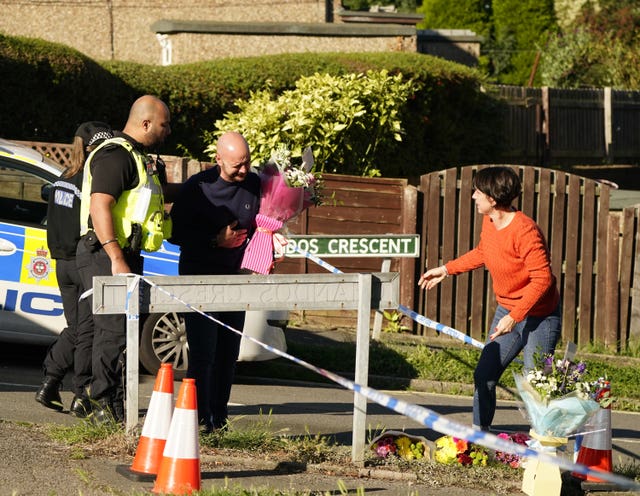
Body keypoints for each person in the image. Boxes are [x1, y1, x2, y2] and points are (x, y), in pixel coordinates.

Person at [418, 166, 561, 431]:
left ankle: (545, 450)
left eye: (477, 192)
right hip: (508, 311)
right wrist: (446, 269)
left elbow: (543, 279)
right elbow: (484, 252)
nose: (473, 196)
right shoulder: (491, 221)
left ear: (492, 199)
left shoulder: (525, 231)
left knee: (536, 384)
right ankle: (479, 438)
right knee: (484, 375)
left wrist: (515, 316)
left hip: (539, 317)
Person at [75, 95, 173, 423]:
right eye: (164, 124)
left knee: (122, 331)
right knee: (113, 329)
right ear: (145, 123)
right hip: (105, 252)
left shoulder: (138, 158)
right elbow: (99, 205)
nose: (168, 130)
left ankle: (106, 401)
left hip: (124, 253)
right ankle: (100, 403)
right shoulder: (117, 155)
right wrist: (116, 257)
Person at [169, 131, 261, 433]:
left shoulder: (254, 184)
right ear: (218, 159)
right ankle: (196, 420)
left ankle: (219, 418)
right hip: (200, 278)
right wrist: (214, 240)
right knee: (204, 352)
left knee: (228, 352)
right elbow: (175, 234)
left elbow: (266, 221)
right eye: (237, 165)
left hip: (236, 279)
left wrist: (269, 247)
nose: (244, 170)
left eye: (247, 162)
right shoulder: (197, 188)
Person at [35, 122, 113, 417]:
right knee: (87, 331)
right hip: (81, 263)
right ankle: (80, 395)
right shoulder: (91, 183)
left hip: (61, 263)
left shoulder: (61, 179)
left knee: (77, 327)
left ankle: (51, 382)